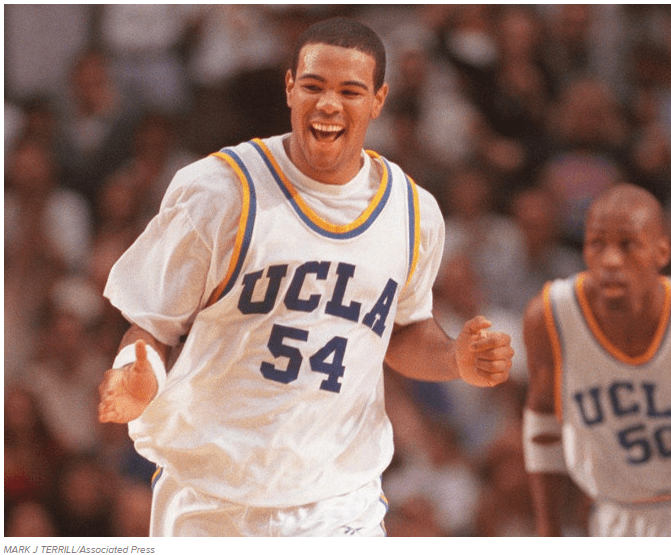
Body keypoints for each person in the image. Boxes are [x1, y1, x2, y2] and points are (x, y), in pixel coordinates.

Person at [97, 17, 513, 537]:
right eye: (314, 86)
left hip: (339, 503)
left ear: (379, 100)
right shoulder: (219, 191)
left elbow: (402, 331)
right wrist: (139, 379)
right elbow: (151, 327)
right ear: (290, 87)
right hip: (212, 499)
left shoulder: (413, 212)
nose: (329, 104)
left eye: (350, 91)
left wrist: (454, 358)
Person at [522, 183, 671, 536]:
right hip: (613, 516)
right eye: (597, 243)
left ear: (661, 252)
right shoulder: (551, 315)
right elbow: (543, 422)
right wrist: (548, 529)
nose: (610, 260)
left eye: (628, 244)